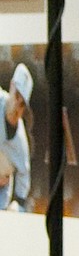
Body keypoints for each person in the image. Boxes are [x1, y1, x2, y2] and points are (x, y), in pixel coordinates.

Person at [0, 62, 33, 212]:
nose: (17, 105)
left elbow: (22, 189)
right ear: (12, 86)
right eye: (17, 96)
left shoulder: (20, 142)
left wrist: (17, 207)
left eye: (22, 105)